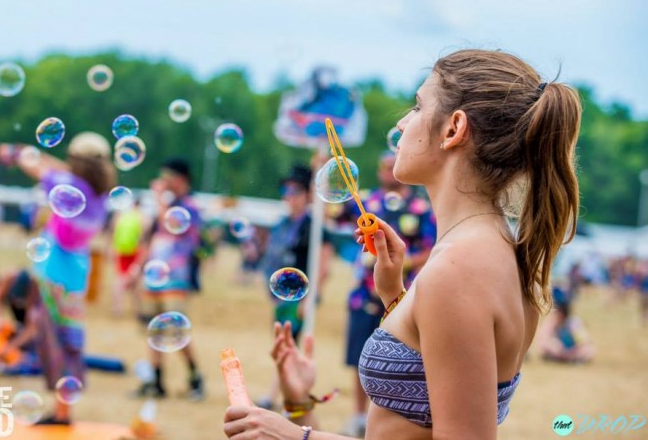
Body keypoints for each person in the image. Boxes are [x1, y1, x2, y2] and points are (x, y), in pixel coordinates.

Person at [223, 48, 582, 439]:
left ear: (453, 129)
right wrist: (395, 296)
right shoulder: (488, 250)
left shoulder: (460, 270)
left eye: (416, 106)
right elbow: (426, 392)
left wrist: (296, 436)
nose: (402, 121)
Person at [0, 132, 116, 425]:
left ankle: (62, 411)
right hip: (76, 277)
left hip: (53, 276)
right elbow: (55, 168)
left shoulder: (69, 186)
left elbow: (40, 168)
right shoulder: (98, 194)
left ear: (75, 162)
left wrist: (14, 152)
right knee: (69, 341)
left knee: (52, 342)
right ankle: (63, 409)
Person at [342, 151, 436, 437]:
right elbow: (334, 212)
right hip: (364, 294)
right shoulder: (367, 203)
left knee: (403, 361)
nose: (385, 171)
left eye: (390, 166)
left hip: (404, 296)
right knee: (360, 357)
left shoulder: (420, 208)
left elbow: (432, 247)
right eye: (382, 166)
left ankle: (391, 420)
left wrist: (404, 263)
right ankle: (359, 417)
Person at [254, 164, 332, 411]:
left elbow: (323, 265)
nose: (289, 195)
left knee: (290, 345)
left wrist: (311, 299)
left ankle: (275, 395)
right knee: (283, 343)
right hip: (283, 297)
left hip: (301, 297)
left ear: (307, 194)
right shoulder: (283, 224)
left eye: (295, 190)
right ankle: (282, 393)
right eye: (285, 189)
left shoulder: (314, 227)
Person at [135, 158, 205, 400]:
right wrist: (138, 267)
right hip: (155, 276)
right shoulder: (166, 206)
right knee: (153, 329)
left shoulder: (190, 207)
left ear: (181, 179)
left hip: (175, 278)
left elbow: (173, 225)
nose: (163, 181)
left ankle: (195, 378)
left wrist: (157, 199)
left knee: (175, 330)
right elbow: (151, 239)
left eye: (168, 176)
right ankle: (156, 380)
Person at [109, 198, 147, 317]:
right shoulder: (142, 218)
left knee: (119, 281)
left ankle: (117, 308)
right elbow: (143, 239)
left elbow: (113, 233)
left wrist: (112, 249)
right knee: (136, 282)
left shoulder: (121, 216)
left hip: (121, 251)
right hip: (135, 252)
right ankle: (137, 309)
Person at [537, 287, 595, 364]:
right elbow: (542, 340)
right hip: (559, 351)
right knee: (549, 346)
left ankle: (568, 359)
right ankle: (567, 359)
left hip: (572, 351)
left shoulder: (573, 323)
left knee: (588, 351)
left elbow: (583, 342)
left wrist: (569, 352)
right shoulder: (552, 323)